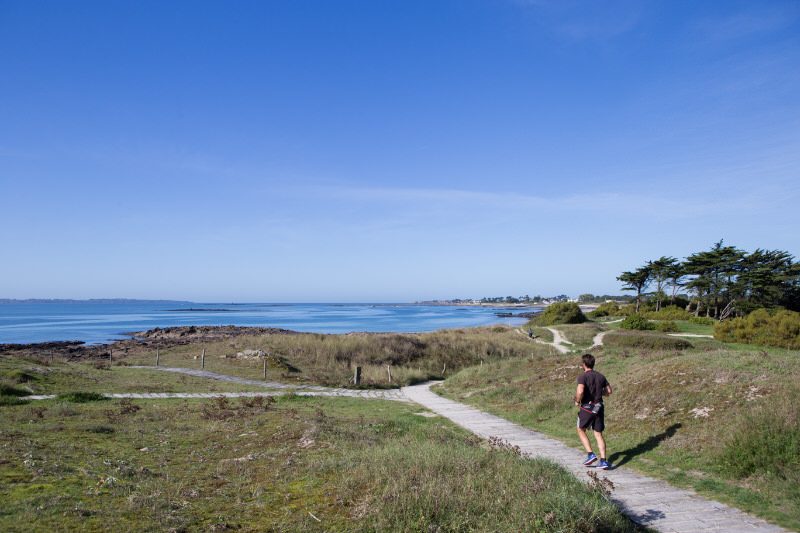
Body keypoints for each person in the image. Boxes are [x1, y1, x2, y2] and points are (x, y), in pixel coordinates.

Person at [574, 353, 612, 469]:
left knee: (580, 429)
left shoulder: (582, 377)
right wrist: (600, 393)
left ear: (583, 364)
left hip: (587, 407)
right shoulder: (601, 376)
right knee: (598, 433)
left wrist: (577, 400)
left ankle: (590, 454)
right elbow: (609, 391)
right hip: (599, 407)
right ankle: (603, 460)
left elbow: (580, 391)